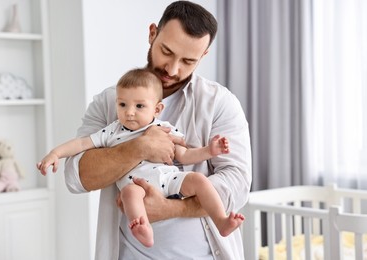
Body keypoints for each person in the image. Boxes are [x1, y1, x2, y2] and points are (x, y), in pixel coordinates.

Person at [65, 1, 252, 259]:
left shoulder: (219, 103)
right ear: (152, 33)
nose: (173, 69)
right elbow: (77, 177)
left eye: (188, 61)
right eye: (166, 51)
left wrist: (170, 208)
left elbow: (238, 184)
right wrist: (139, 147)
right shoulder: (110, 103)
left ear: (204, 55)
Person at [37, 68, 245, 248]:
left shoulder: (164, 129)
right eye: (122, 105)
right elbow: (82, 144)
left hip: (169, 180)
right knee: (128, 195)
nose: (129, 113)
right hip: (138, 184)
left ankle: (221, 220)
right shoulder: (112, 132)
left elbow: (185, 155)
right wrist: (55, 153)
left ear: (157, 109)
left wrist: (210, 150)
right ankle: (143, 228)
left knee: (199, 180)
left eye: (139, 106)